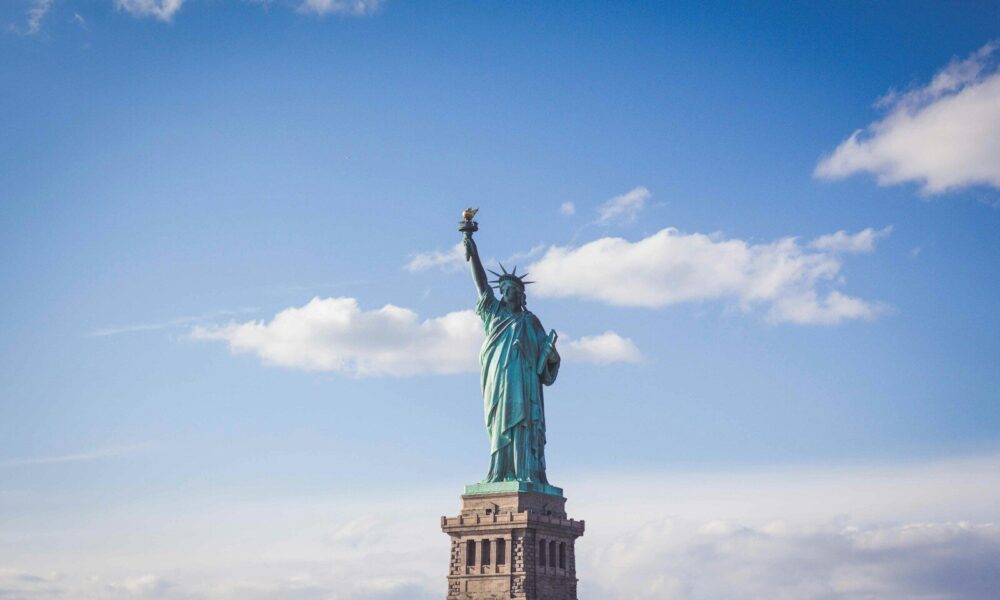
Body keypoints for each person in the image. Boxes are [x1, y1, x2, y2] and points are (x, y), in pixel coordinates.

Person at [463, 233, 559, 484]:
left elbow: (545, 361)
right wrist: (472, 250)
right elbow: (481, 283)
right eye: (504, 290)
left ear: (520, 295)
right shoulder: (493, 312)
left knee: (524, 423)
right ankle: (499, 472)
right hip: (498, 379)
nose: (507, 295)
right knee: (499, 424)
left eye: (512, 291)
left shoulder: (530, 321)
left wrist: (550, 355)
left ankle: (525, 472)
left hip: (524, 383)